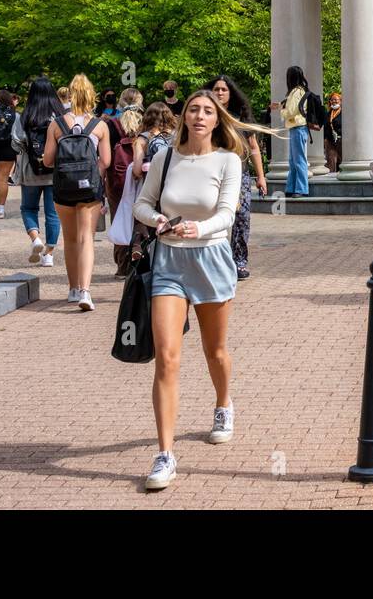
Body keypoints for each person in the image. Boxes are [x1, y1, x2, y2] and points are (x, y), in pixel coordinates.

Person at [132, 89, 245, 491]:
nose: (199, 116)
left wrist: (200, 227)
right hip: (169, 264)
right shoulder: (165, 158)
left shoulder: (228, 160)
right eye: (193, 110)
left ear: (217, 120)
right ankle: (165, 455)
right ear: (184, 117)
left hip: (211, 261)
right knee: (167, 358)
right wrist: (159, 220)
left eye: (207, 111)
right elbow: (140, 205)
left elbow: (228, 213)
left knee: (215, 351)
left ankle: (223, 404)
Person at [42, 74, 111, 311]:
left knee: (70, 239)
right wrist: (90, 174)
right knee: (86, 239)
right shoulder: (100, 125)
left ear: (70, 96)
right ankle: (85, 291)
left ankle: (72, 288)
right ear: (92, 96)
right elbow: (106, 161)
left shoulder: (56, 124)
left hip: (63, 188)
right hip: (89, 190)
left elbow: (48, 161)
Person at [208, 74, 271, 280]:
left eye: (223, 89)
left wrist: (260, 177)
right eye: (216, 89)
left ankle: (239, 263)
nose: (219, 93)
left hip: (240, 175)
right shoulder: (206, 115)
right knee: (212, 217)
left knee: (241, 219)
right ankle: (214, 262)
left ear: (230, 93)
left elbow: (253, 148)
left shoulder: (241, 117)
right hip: (211, 175)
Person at [13, 77, 62, 267]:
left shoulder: (25, 115)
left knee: (28, 208)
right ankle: (49, 254)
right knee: (53, 213)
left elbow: (16, 142)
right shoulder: (59, 116)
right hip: (54, 170)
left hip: (30, 169)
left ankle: (35, 239)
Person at [128, 102, 177, 262]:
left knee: (148, 222)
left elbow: (136, 169)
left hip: (151, 189)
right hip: (174, 189)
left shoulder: (143, 138)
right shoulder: (177, 137)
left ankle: (141, 250)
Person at [105, 88, 145, 275]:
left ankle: (122, 266)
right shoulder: (145, 123)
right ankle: (140, 259)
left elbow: (105, 156)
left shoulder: (112, 124)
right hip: (142, 176)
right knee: (142, 218)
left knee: (119, 218)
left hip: (117, 179)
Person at [270, 66, 310, 198]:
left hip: (298, 128)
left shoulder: (296, 92)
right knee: (293, 161)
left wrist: (282, 111)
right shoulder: (297, 91)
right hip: (296, 128)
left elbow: (291, 111)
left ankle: (301, 189)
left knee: (298, 160)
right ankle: (292, 187)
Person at [322, 92, 342, 173]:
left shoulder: (344, 113)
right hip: (330, 140)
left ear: (340, 101)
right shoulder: (328, 113)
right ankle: (331, 177)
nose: (334, 101)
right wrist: (325, 139)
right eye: (332, 100)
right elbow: (325, 127)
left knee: (343, 160)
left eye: (336, 99)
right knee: (330, 161)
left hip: (341, 140)